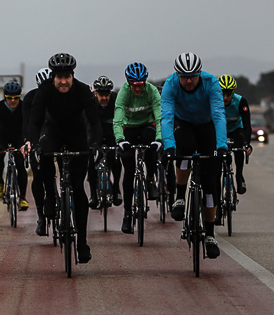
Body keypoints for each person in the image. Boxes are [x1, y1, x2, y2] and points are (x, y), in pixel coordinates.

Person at [25, 53, 101, 263]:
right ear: (53, 77)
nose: (64, 80)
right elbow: (35, 120)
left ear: (72, 75)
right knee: (45, 156)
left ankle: (82, 242)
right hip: (53, 132)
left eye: (67, 76)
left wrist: (95, 144)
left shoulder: (83, 90)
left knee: (78, 189)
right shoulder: (45, 91)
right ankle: (50, 195)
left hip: (76, 134)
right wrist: (33, 143)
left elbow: (94, 122)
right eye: (59, 76)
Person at [160, 53, 227, 259]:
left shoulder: (211, 83)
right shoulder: (170, 85)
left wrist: (221, 145)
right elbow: (167, 116)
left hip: (207, 126)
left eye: (193, 76)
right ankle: (180, 197)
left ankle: (209, 234)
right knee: (184, 149)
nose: (188, 81)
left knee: (210, 185)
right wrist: (169, 146)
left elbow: (218, 114)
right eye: (184, 76)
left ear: (200, 73)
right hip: (184, 123)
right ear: (177, 75)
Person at [113, 62, 162, 234]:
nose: (138, 89)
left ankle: (150, 180)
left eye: (140, 86)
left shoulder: (152, 91)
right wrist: (119, 139)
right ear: (129, 83)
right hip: (129, 128)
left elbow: (159, 116)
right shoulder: (123, 93)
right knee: (128, 167)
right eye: (134, 86)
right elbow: (117, 119)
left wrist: (159, 139)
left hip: (147, 125)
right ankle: (127, 214)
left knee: (151, 145)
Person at [22, 67, 54, 236]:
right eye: (43, 86)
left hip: (55, 135)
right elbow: (27, 123)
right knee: (38, 173)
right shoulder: (30, 98)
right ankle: (41, 216)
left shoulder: (60, 97)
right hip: (37, 135)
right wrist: (28, 141)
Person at [0, 80, 29, 211]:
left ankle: (23, 197)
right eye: (10, 98)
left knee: (20, 165)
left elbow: (27, 127)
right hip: (2, 137)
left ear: (20, 96)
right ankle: (0, 181)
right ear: (5, 97)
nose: (13, 101)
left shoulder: (24, 108)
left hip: (18, 138)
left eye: (16, 98)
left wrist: (25, 143)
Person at [87, 75, 123, 209]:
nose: (104, 98)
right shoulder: (90, 102)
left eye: (106, 95)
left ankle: (116, 189)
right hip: (94, 132)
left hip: (110, 132)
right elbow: (86, 124)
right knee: (91, 159)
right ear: (95, 93)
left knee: (115, 157)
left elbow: (121, 120)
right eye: (101, 95)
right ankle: (93, 195)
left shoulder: (115, 100)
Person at [218, 74, 253, 195]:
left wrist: (247, 144)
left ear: (233, 92)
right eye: (222, 93)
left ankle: (239, 176)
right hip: (219, 130)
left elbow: (247, 125)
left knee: (239, 147)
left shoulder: (240, 101)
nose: (225, 97)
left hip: (236, 129)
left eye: (228, 94)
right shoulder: (214, 101)